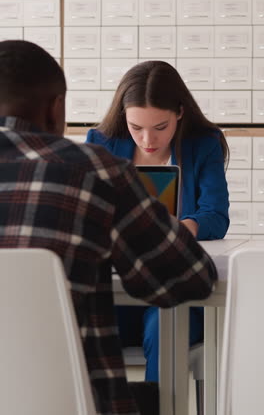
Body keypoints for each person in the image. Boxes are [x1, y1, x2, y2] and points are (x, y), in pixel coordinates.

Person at [0, 41, 218, 415]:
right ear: (56, 109)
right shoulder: (94, 169)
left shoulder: (199, 145)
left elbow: (216, 211)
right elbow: (193, 278)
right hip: (79, 402)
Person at [86, 60, 229, 382]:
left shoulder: (204, 143)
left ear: (179, 112)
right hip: (117, 284)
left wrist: (182, 228)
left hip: (175, 286)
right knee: (79, 329)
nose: (147, 139)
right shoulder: (100, 141)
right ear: (124, 116)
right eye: (136, 128)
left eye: (160, 127)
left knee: (163, 330)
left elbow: (216, 216)